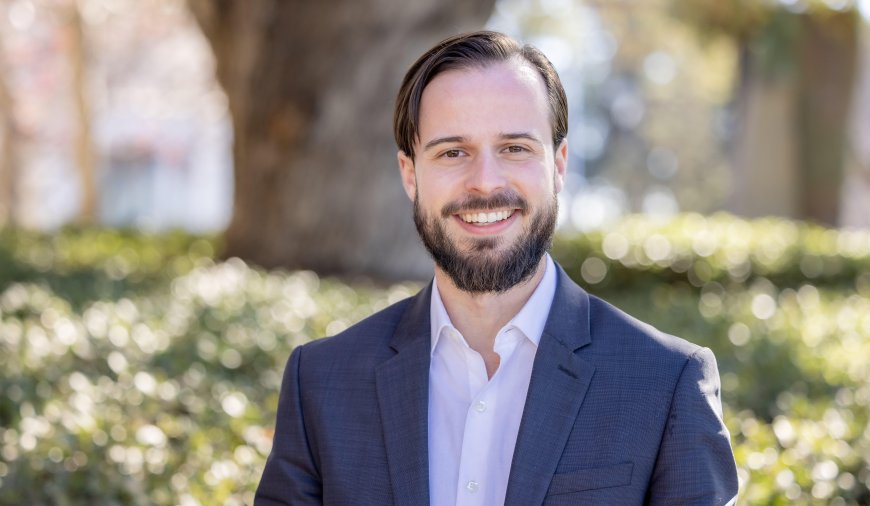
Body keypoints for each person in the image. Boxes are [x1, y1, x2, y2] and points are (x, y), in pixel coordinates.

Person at [255, 30, 738, 505]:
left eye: (515, 148)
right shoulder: (320, 382)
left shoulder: (666, 384)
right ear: (410, 174)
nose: (485, 182)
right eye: (452, 152)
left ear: (559, 165)